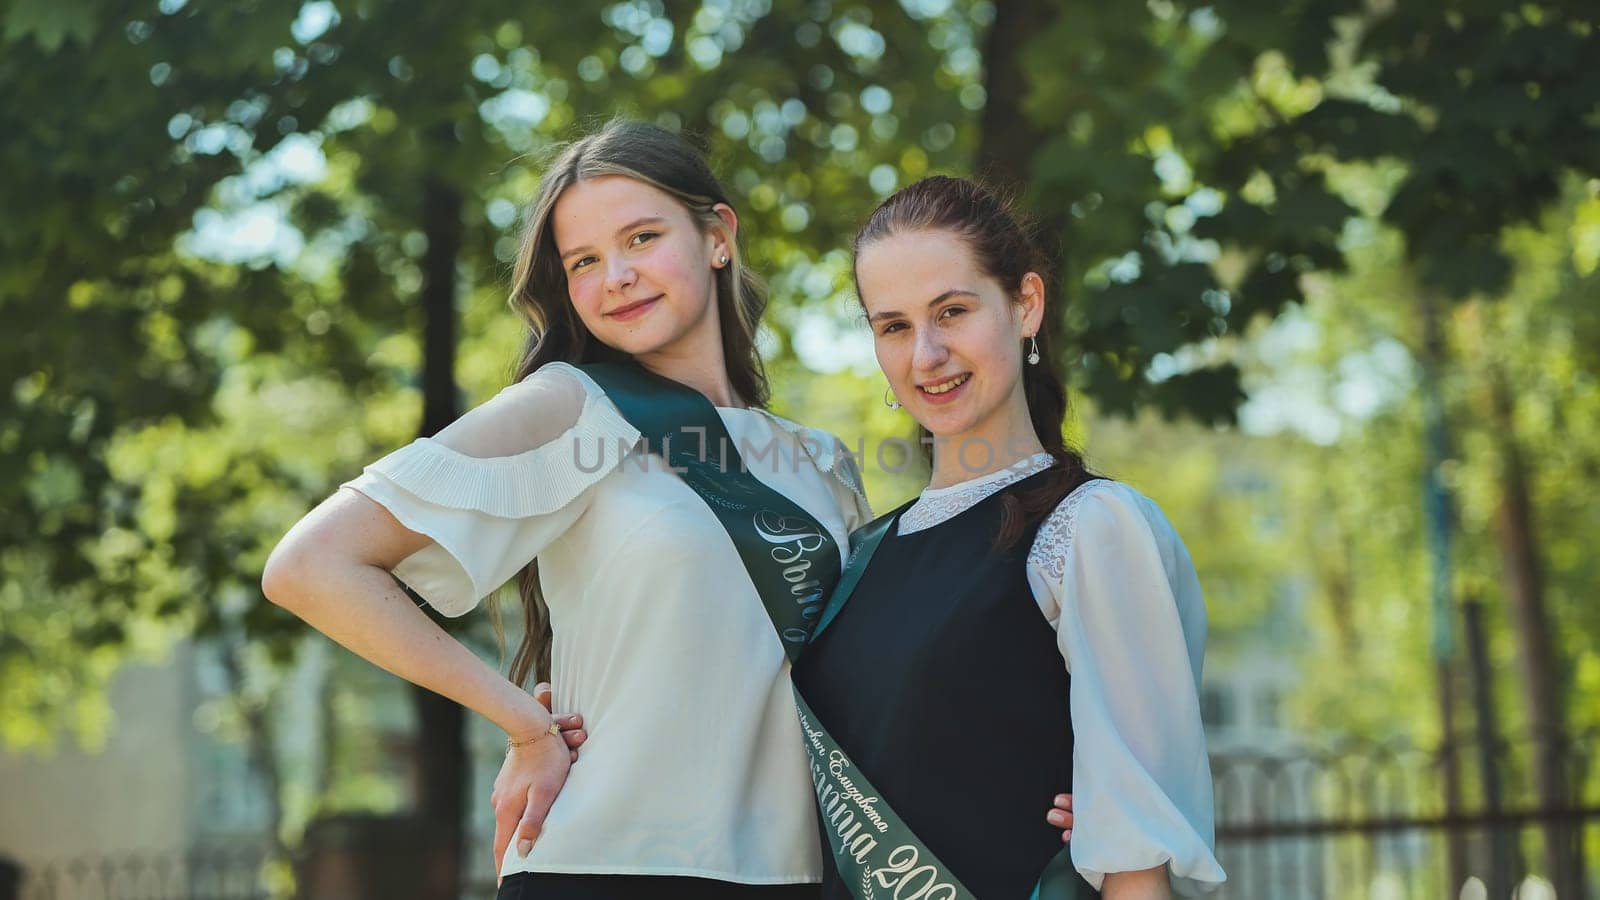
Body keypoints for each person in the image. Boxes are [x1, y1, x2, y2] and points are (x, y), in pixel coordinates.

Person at [262, 120, 874, 899]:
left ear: (719, 235)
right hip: (608, 865)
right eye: (584, 260)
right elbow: (310, 566)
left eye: (642, 237)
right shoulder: (568, 407)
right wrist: (524, 722)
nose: (615, 275)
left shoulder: (822, 463)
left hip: (793, 873)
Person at [790, 176, 1227, 899]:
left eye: (952, 312)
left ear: (1025, 304)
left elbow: (1136, 862)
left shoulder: (1091, 528)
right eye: (893, 326)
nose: (925, 355)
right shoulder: (861, 552)